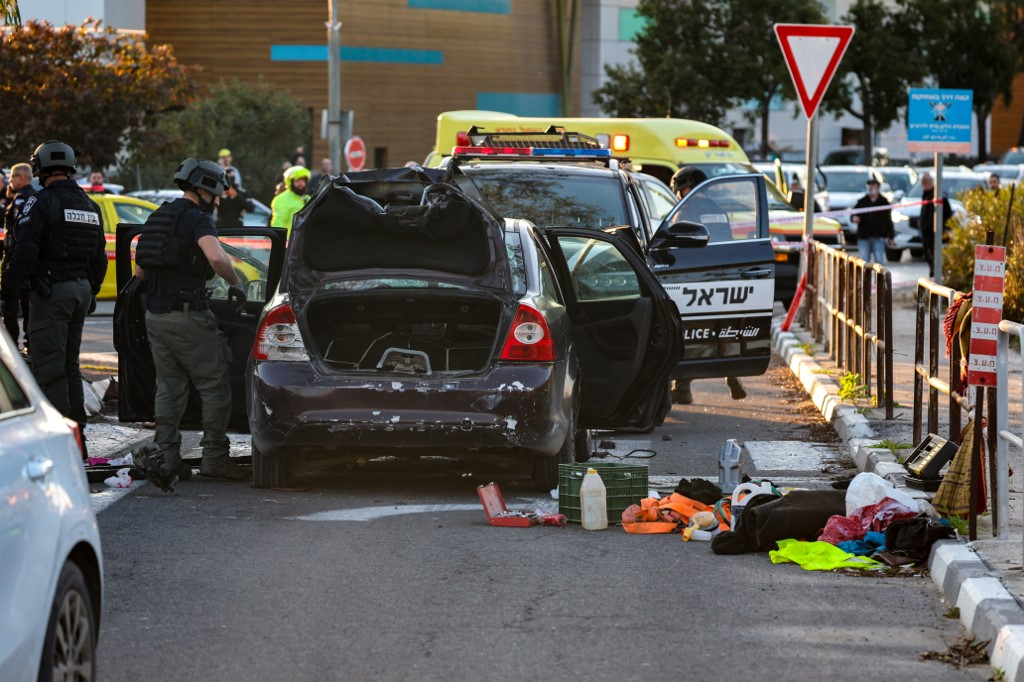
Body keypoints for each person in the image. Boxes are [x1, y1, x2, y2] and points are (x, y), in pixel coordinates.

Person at [130, 158, 249, 491]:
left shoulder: (158, 216)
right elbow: (215, 258)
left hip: (155, 315)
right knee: (214, 385)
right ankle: (215, 459)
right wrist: (237, 285)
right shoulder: (198, 219)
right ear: (204, 189)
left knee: (169, 387)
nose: (219, 199)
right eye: (217, 192)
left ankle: (168, 458)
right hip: (188, 315)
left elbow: (139, 272)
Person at [1, 141, 107, 456]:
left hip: (51, 293)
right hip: (80, 291)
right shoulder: (90, 204)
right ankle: (79, 440)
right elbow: (99, 258)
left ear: (39, 168)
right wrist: (92, 291)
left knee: (50, 369)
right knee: (70, 367)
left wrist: (8, 294)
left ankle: (65, 447)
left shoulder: (39, 202)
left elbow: (24, 252)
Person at [668, 166, 746, 405]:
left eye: (680, 190)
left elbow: (675, 241)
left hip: (693, 275)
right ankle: (732, 372)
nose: (679, 195)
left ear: (687, 187)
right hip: (721, 273)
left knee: (685, 333)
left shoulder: (686, 208)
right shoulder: (717, 208)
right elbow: (728, 240)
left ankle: (682, 389)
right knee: (723, 330)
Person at [1, 162, 37, 348]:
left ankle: (12, 347)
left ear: (22, 177)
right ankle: (30, 345)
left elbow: (16, 233)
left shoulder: (22, 199)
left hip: (15, 260)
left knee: (10, 308)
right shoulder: (34, 198)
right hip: (28, 262)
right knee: (28, 307)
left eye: (12, 177)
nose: (10, 181)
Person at [851, 177, 894, 264]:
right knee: (863, 261)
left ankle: (880, 278)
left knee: (879, 260)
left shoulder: (884, 202)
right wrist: (854, 218)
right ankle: (865, 278)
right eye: (869, 186)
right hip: (864, 236)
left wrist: (891, 236)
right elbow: (853, 214)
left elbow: (889, 220)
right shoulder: (862, 202)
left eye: (873, 186)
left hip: (879, 236)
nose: (871, 188)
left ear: (878, 188)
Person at [918, 172, 951, 277]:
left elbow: (947, 213)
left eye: (927, 181)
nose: (926, 184)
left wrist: (941, 227)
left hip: (934, 232)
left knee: (934, 257)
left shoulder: (937, 195)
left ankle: (935, 277)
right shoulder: (926, 194)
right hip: (926, 232)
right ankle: (933, 276)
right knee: (929, 256)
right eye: (924, 182)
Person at [270, 165, 310, 237]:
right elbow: (278, 224)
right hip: (289, 244)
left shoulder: (308, 199)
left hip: (306, 242)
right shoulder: (281, 199)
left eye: (303, 180)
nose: (301, 184)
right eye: (297, 180)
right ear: (290, 182)